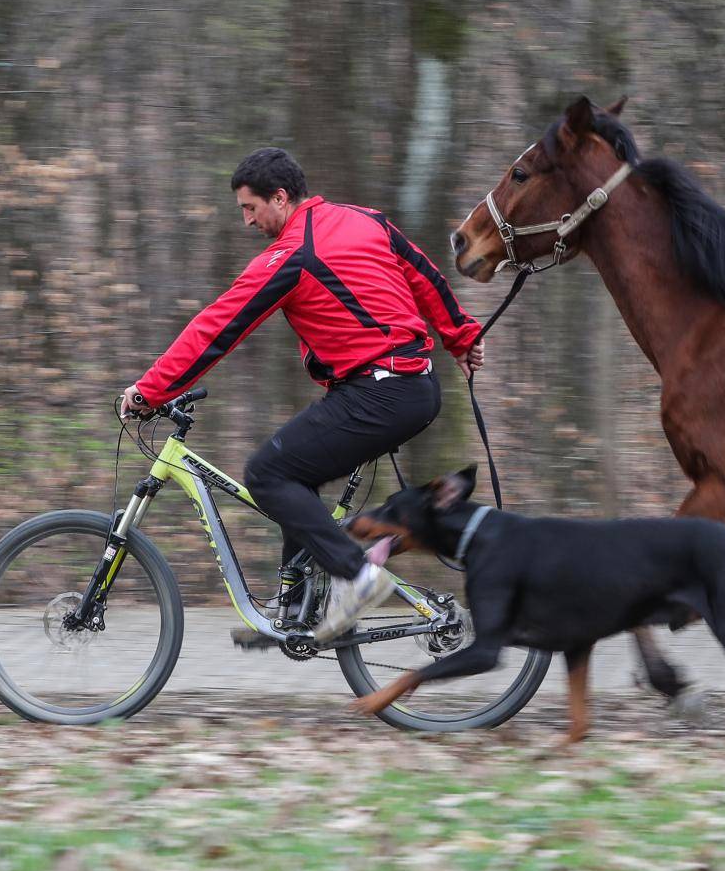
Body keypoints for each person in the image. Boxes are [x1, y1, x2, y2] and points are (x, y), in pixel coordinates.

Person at [119, 147, 484, 644]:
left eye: (250, 208)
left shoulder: (293, 253)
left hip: (380, 392)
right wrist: (459, 337)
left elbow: (219, 325)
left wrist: (151, 389)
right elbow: (425, 275)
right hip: (409, 387)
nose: (247, 221)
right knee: (292, 467)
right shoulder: (365, 220)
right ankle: (295, 609)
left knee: (267, 473)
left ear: (280, 198)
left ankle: (357, 578)